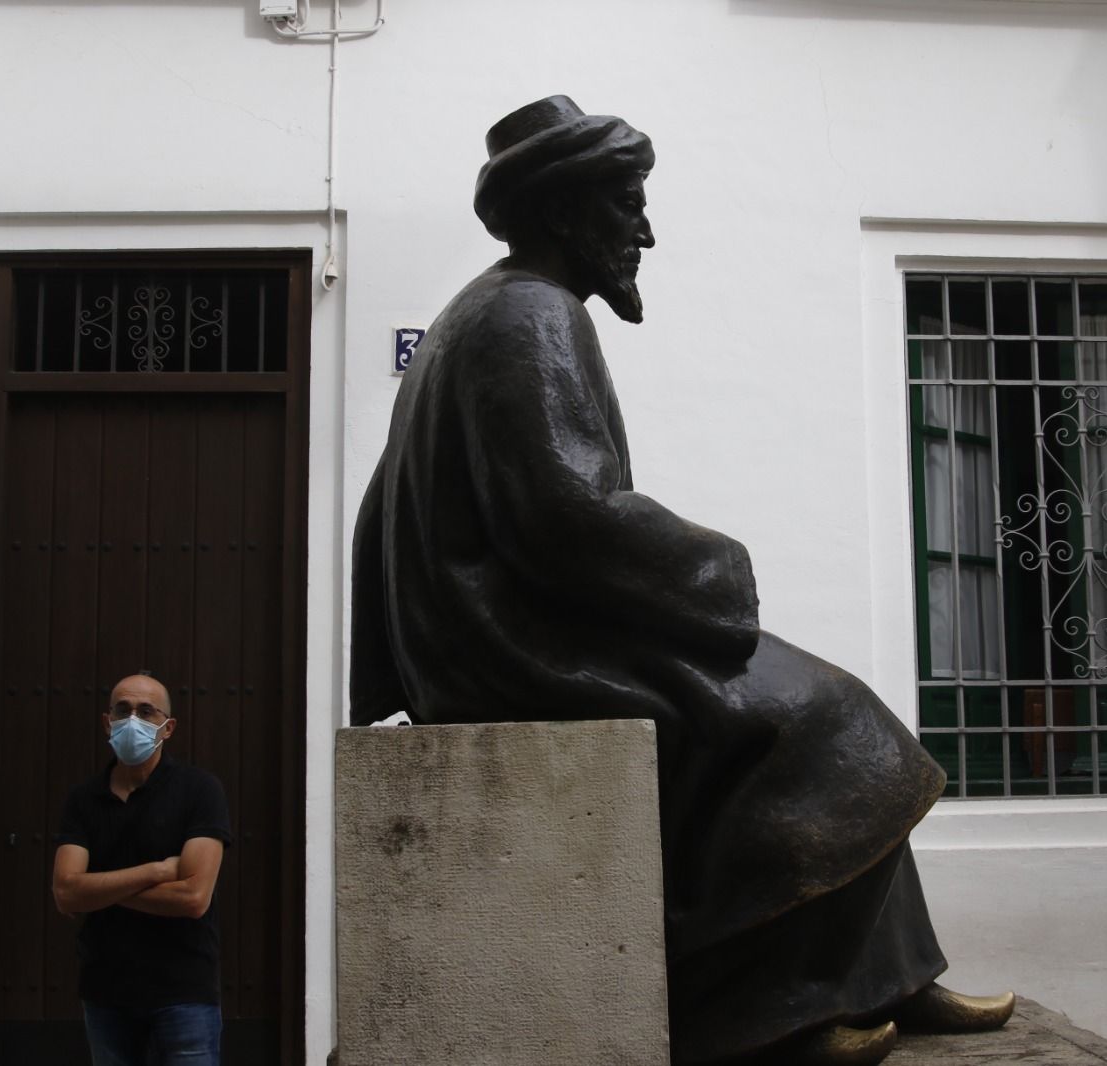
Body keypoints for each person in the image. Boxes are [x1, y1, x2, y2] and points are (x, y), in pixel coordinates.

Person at [350, 95, 1014, 1065]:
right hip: (513, 647)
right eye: (627, 204)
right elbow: (562, 521)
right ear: (566, 211)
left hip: (506, 628)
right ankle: (774, 1008)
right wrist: (718, 566)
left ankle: (890, 976)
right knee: (817, 718)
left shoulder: (494, 312)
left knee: (819, 703)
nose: (644, 230)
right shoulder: (523, 317)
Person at [51, 672, 232, 1066]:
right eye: (123, 709)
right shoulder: (84, 800)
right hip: (106, 992)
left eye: (146, 711)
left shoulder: (200, 791)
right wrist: (156, 872)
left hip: (184, 991)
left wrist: (100, 890)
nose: (133, 719)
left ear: (167, 728)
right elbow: (66, 891)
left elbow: (193, 897)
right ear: (106, 721)